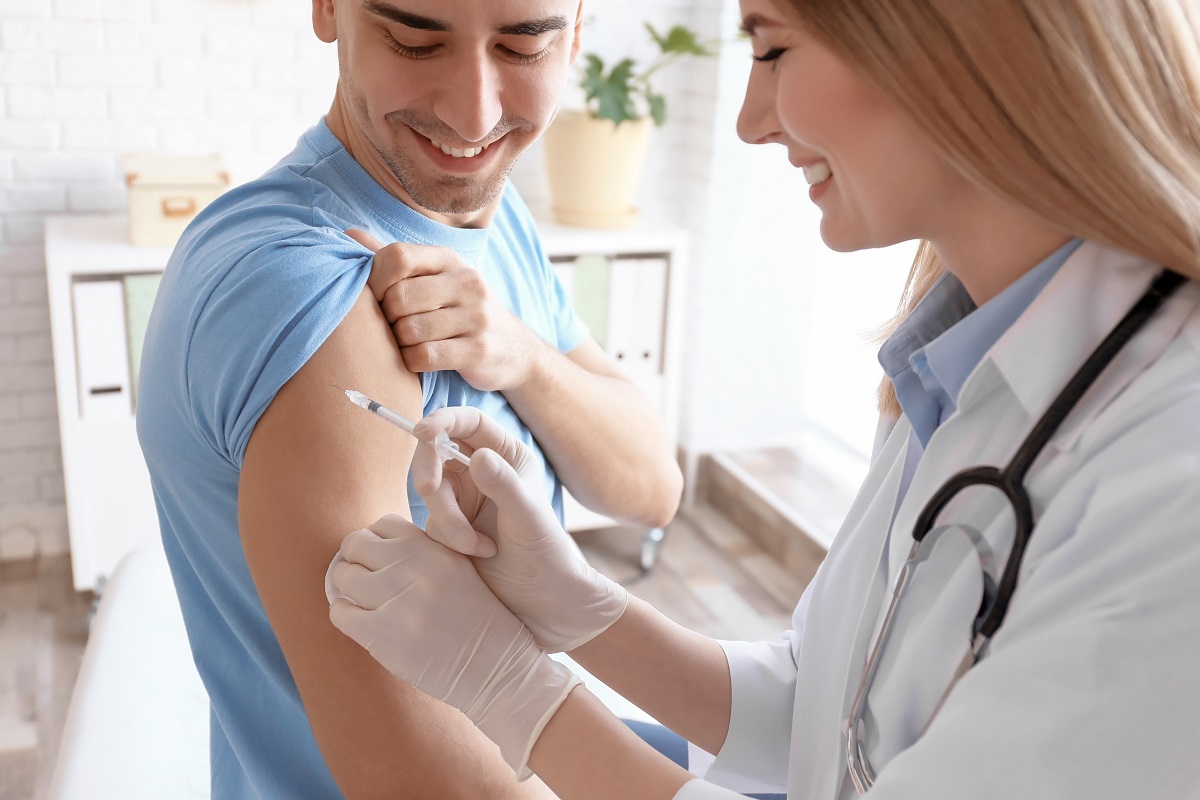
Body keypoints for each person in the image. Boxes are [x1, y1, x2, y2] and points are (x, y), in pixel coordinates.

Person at [325, 0, 1200, 797]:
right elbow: (832, 717)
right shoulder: (962, 364)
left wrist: (518, 691)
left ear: (948, 40)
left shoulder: (1169, 488)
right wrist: (581, 609)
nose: (747, 122)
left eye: (772, 47)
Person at [135, 0, 683, 797]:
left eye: (525, 46)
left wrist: (520, 357)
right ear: (328, 10)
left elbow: (651, 485)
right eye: (414, 40)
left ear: (578, 31)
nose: (474, 114)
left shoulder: (491, 212)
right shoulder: (302, 289)